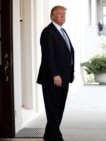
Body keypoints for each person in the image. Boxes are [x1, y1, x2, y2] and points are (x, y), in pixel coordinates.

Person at [37, 5, 74, 141]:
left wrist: (70, 72)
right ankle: (56, 137)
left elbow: (67, 53)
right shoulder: (48, 32)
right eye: (60, 14)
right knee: (53, 109)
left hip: (64, 77)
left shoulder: (62, 31)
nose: (63, 16)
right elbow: (48, 56)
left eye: (64, 14)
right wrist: (55, 74)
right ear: (52, 16)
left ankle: (48, 135)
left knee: (59, 109)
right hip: (52, 78)